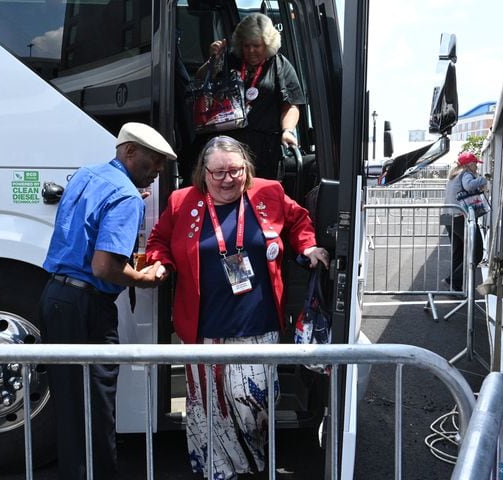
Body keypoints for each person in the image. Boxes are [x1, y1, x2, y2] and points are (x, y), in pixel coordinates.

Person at [145, 135, 328, 479]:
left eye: (236, 170)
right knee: (209, 408)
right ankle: (220, 472)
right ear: (203, 173)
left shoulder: (268, 192)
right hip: (203, 328)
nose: (229, 179)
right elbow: (159, 240)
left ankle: (253, 460)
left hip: (257, 322)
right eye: (219, 173)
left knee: (251, 397)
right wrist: (160, 263)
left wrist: (308, 247)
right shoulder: (183, 201)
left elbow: (298, 221)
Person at [39, 122, 174, 480]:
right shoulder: (126, 197)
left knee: (70, 406)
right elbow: (105, 266)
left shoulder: (87, 175)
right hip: (86, 306)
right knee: (97, 408)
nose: (158, 170)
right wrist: (143, 279)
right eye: (154, 161)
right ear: (130, 152)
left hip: (55, 295)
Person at [195, 12, 306, 180]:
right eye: (246, 46)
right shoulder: (230, 60)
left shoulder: (279, 65)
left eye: (256, 45)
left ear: (267, 44)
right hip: (227, 143)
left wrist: (288, 131)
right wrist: (213, 60)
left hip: (264, 147)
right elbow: (201, 80)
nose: (251, 51)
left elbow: (291, 104)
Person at [441, 151, 488, 291]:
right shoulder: (466, 174)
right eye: (475, 164)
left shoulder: (454, 175)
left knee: (458, 252)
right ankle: (452, 280)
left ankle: (455, 286)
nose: (477, 167)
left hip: (447, 216)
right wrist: (484, 180)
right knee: (477, 252)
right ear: (469, 164)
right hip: (459, 217)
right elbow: (468, 186)